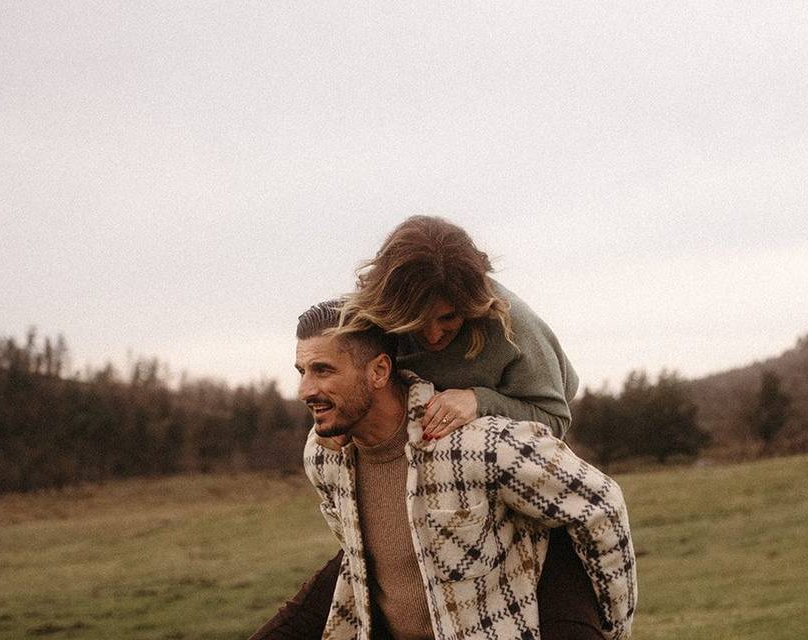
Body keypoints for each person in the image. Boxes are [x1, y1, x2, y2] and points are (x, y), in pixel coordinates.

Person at [248, 216, 596, 639]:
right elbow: (347, 364)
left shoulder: (512, 325)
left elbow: (555, 418)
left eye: (448, 318)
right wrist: (342, 414)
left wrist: (478, 401)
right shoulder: (373, 313)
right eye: (416, 319)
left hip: (514, 456)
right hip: (418, 465)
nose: (432, 334)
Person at [291, 300, 636, 639]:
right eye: (302, 372)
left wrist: (610, 627)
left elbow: (601, 504)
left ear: (380, 371)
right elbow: (359, 564)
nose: (305, 390)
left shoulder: (478, 444)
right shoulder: (323, 458)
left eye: (323, 370)